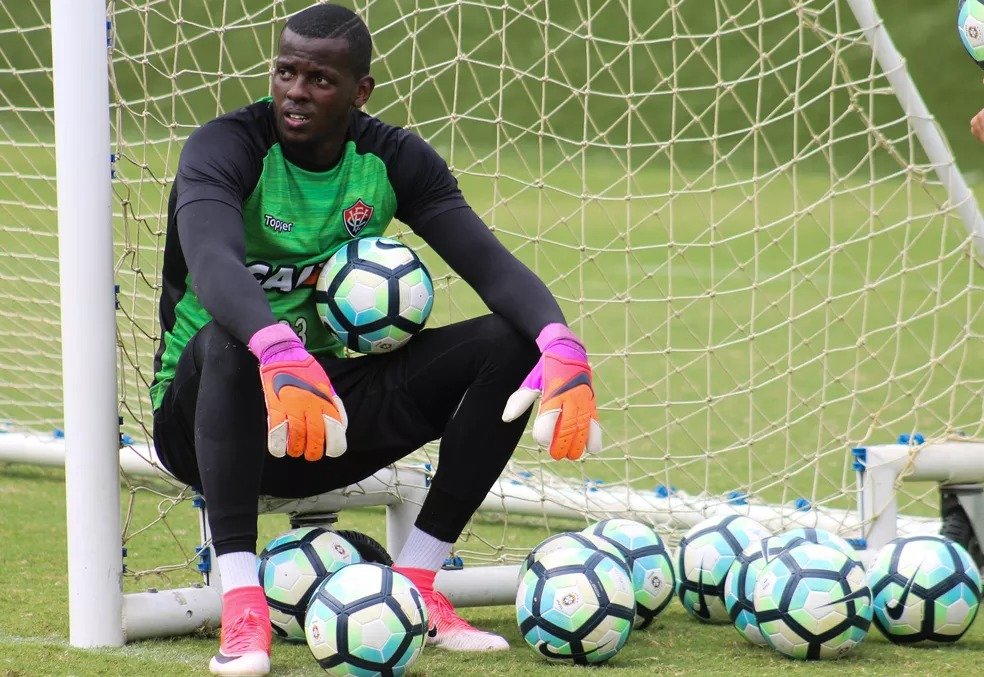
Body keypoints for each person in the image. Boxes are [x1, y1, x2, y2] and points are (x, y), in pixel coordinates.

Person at [150, 3, 602, 675]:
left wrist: (561, 343)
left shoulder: (391, 159)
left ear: (360, 91)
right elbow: (214, 263)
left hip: (323, 424)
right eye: (285, 72)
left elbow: (489, 264)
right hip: (202, 423)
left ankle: (417, 585)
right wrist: (276, 347)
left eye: (320, 79)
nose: (296, 92)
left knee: (512, 343)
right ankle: (243, 606)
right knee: (227, 340)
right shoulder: (224, 148)